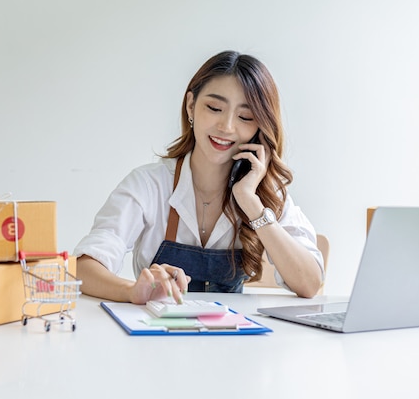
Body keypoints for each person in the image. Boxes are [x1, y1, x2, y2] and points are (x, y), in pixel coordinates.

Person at [73, 50, 324, 305]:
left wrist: (251, 204)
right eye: (215, 108)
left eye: (245, 117)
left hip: (236, 340)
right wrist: (131, 291)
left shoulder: (264, 194)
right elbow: (83, 268)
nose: (226, 127)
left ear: (260, 125)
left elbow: (309, 283)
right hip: (157, 339)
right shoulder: (149, 185)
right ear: (191, 105)